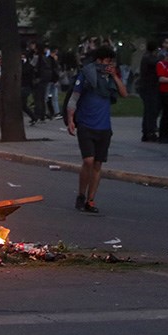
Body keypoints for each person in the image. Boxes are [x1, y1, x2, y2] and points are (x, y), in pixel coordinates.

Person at [65, 44, 127, 214]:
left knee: (98, 164)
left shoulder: (110, 79)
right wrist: (71, 120)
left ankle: (90, 200)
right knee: (88, 161)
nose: (109, 65)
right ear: (99, 60)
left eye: (111, 62)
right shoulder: (86, 75)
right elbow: (73, 98)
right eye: (107, 61)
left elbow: (124, 93)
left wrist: (114, 76)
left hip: (104, 127)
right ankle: (80, 194)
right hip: (86, 124)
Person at [137, 39, 160, 142]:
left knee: (149, 110)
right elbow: (156, 62)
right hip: (149, 87)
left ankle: (147, 131)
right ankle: (150, 131)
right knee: (151, 110)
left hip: (146, 87)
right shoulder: (150, 59)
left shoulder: (146, 57)